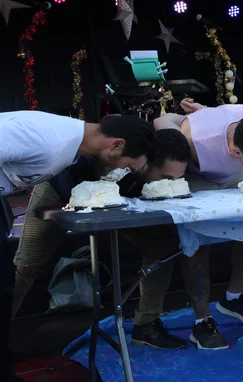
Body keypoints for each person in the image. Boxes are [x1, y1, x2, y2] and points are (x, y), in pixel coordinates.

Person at [0, 111, 154, 380]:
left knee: (2, 288)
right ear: (116, 145)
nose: (125, 172)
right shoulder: (47, 139)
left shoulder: (68, 147)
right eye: (128, 165)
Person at [12, 129, 192, 349]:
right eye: (166, 178)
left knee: (161, 245)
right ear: (144, 162)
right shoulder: (109, 153)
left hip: (122, 197)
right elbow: (68, 174)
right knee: (26, 265)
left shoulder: (146, 170)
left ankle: (146, 324)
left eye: (177, 178)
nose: (170, 183)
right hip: (61, 186)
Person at [153, 101, 243, 350]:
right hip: (198, 174)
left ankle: (233, 297)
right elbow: (162, 121)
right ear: (235, 150)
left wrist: (207, 110)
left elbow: (228, 113)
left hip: (234, 175)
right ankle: (202, 320)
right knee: (196, 240)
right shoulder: (195, 138)